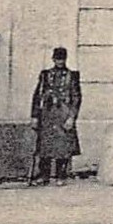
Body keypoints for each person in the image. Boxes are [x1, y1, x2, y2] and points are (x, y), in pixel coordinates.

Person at [29, 47, 81, 184]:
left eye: (62, 59)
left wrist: (72, 117)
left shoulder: (72, 76)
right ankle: (43, 175)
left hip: (63, 113)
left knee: (62, 147)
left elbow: (76, 98)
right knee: (45, 146)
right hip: (47, 113)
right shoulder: (45, 75)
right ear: (53, 59)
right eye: (57, 59)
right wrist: (34, 116)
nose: (59, 61)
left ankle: (61, 175)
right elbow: (37, 95)